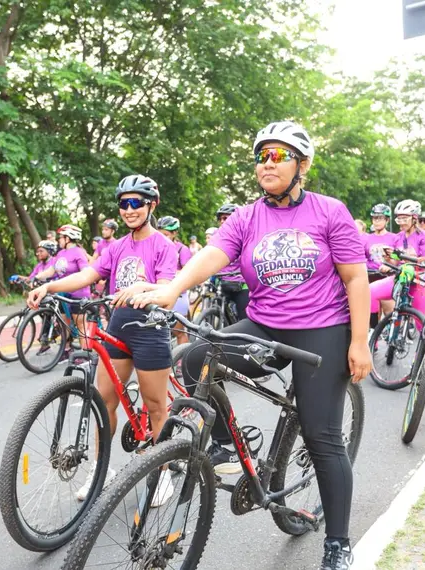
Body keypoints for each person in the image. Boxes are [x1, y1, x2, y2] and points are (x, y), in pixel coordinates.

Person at [133, 121, 372, 569]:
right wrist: (172, 288)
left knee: (322, 437)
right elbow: (212, 255)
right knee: (196, 360)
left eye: (279, 156)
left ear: (302, 165)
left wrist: (359, 341)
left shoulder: (329, 211)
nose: (267, 164)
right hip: (265, 324)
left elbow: (356, 278)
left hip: (322, 328)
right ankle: (227, 444)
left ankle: (338, 543)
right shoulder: (247, 216)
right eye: (262, 156)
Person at [27, 174, 178, 504]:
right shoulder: (117, 246)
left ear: (152, 205)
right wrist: (49, 286)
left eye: (136, 203)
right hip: (118, 326)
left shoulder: (163, 246)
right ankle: (101, 469)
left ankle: (163, 472)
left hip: (150, 329)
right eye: (124, 203)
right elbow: (88, 274)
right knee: (104, 402)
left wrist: (142, 287)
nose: (129, 209)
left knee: (155, 406)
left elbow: (167, 288)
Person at [32, 224, 92, 354]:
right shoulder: (61, 253)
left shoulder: (78, 252)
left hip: (79, 293)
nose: (59, 240)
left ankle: (86, 353)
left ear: (68, 238)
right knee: (64, 322)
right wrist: (37, 277)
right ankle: (67, 348)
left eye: (61, 237)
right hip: (63, 293)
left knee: (80, 325)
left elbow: (86, 272)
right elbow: (51, 270)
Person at [368, 200, 425, 318]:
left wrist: (407, 257)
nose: (401, 223)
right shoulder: (398, 237)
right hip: (400, 277)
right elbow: (396, 261)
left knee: (421, 321)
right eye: (399, 219)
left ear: (414, 218)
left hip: (419, 280)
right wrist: (388, 259)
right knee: (370, 290)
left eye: (404, 219)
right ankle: (371, 326)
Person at [158, 215, 193, 344]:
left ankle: (183, 355)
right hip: (159, 293)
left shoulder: (182, 249)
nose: (163, 238)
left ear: (175, 233)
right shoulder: (157, 247)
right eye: (160, 234)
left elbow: (189, 272)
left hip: (178, 294)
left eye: (166, 235)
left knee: (179, 332)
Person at [213, 204, 249, 321]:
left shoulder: (246, 234)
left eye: (226, 218)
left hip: (241, 284)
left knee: (244, 318)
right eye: (221, 219)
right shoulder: (216, 236)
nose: (222, 221)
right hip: (222, 282)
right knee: (221, 314)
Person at [363, 203, 395, 283]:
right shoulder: (366, 238)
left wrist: (390, 265)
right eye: (375, 218)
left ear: (387, 220)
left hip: (388, 277)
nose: (377, 221)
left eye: (380, 218)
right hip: (370, 277)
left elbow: (399, 260)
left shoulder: (395, 238)